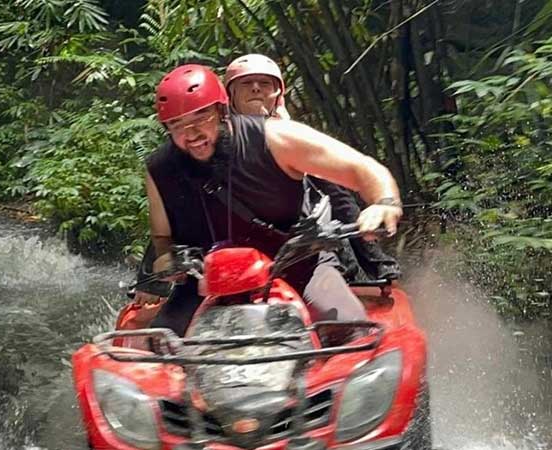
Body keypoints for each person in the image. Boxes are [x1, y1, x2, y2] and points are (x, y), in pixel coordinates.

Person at [137, 64, 403, 339]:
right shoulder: (161, 168)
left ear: (221, 110)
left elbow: (362, 169)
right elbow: (162, 236)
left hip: (300, 265)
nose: (191, 134)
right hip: (208, 279)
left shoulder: (274, 138)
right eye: (177, 124)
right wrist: (167, 259)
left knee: (351, 330)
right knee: (156, 348)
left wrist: (384, 202)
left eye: (201, 117)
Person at [224, 53, 401, 281]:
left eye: (265, 83)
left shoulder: (287, 130)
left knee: (332, 187)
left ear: (277, 93)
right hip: (240, 219)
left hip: (299, 212)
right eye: (247, 83)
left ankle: (374, 259)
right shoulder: (216, 137)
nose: (256, 89)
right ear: (231, 94)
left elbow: (353, 168)